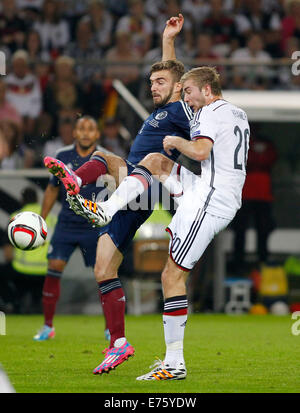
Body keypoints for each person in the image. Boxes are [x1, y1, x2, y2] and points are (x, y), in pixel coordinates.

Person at [63, 14, 250, 381]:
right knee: (156, 162)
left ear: (204, 91)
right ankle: (102, 209)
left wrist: (178, 140)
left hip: (211, 199)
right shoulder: (228, 111)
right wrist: (168, 39)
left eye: (188, 91)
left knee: (171, 275)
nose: (185, 96)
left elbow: (197, 151)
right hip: (202, 189)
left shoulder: (204, 112)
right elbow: (175, 78)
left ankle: (174, 364)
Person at [43, 21, 193, 373]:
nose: (153, 87)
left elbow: (177, 82)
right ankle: (119, 344)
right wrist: (166, 40)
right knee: (103, 269)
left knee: (103, 157)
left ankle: (79, 184)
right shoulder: (161, 110)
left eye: (160, 83)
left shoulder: (181, 110)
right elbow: (170, 72)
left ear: (178, 88)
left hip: (149, 181)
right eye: (151, 82)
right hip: (134, 188)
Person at [33, 116, 109, 341]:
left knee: (104, 275)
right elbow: (52, 190)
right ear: (74, 132)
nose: (86, 133)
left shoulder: (104, 157)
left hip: (94, 225)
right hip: (66, 223)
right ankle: (47, 327)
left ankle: (109, 329)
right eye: (81, 128)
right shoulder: (62, 156)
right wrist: (41, 219)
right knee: (54, 267)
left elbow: (115, 191)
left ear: (97, 134)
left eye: (91, 129)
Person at [4, 187, 57, 314]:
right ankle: (37, 304)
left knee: (4, 276)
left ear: (22, 200)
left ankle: (13, 302)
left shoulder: (15, 217)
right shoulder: (51, 218)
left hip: (22, 271)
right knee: (38, 293)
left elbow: (7, 252)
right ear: (38, 200)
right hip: (46, 271)